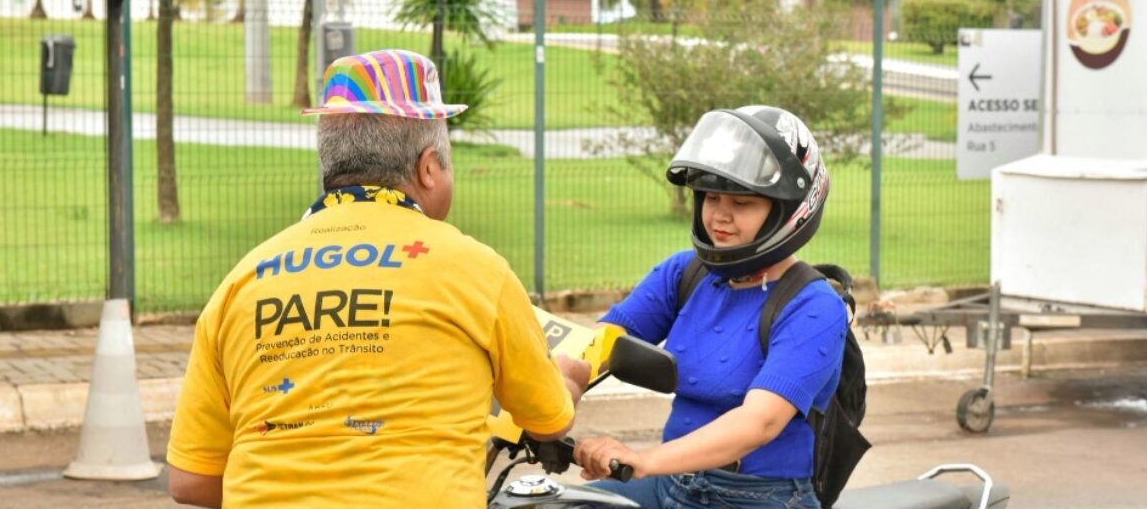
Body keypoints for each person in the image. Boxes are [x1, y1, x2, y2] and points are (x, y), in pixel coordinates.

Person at [166, 49, 590, 509]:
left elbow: (191, 480)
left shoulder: (241, 283)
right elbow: (548, 421)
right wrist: (567, 379)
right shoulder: (475, 270)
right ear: (429, 168)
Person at [574, 105, 847, 509]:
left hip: (761, 497)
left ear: (788, 210)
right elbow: (606, 339)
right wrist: (563, 382)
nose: (720, 215)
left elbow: (760, 422)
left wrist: (644, 460)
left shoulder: (815, 306)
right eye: (712, 196)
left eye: (742, 203)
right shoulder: (685, 273)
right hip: (671, 483)